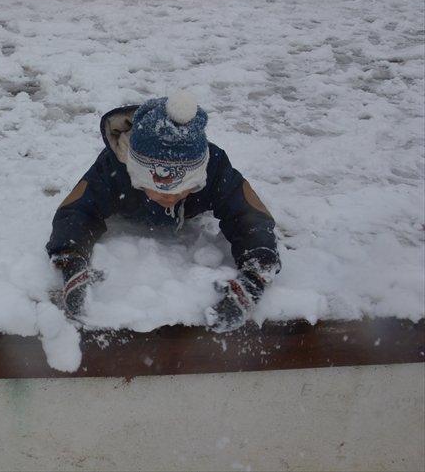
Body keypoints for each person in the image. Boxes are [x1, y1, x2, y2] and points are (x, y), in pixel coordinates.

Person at [46, 92, 280, 333]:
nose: (170, 197)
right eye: (157, 191)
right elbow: (77, 211)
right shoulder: (113, 169)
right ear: (136, 176)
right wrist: (71, 260)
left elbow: (249, 216)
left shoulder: (215, 167)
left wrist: (256, 273)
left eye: (184, 189)